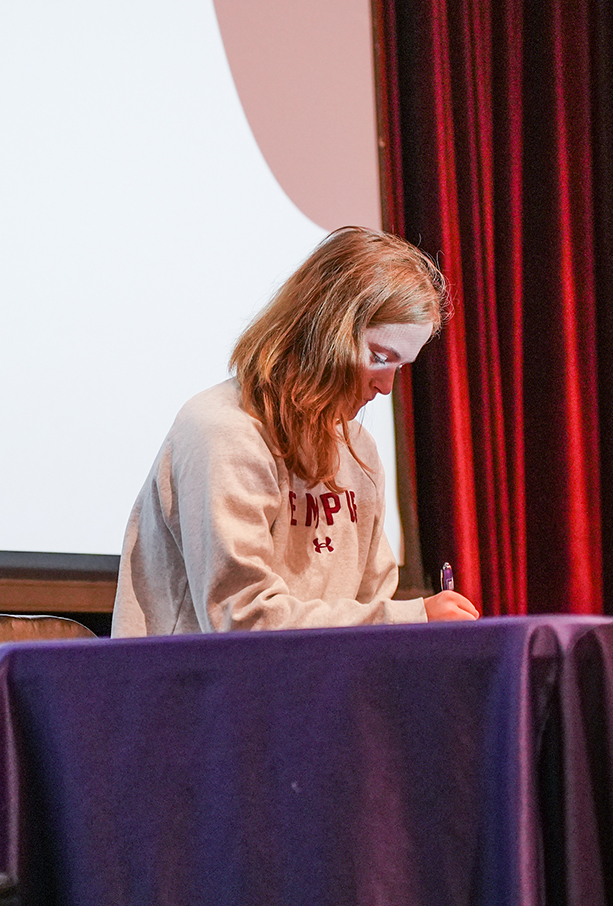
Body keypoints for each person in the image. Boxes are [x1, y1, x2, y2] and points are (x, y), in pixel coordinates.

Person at [112, 228, 482, 635]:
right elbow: (243, 620)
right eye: (379, 358)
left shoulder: (358, 449)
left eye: (399, 367)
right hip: (193, 694)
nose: (386, 386)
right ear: (324, 332)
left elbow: (373, 610)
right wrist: (411, 617)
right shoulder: (222, 431)